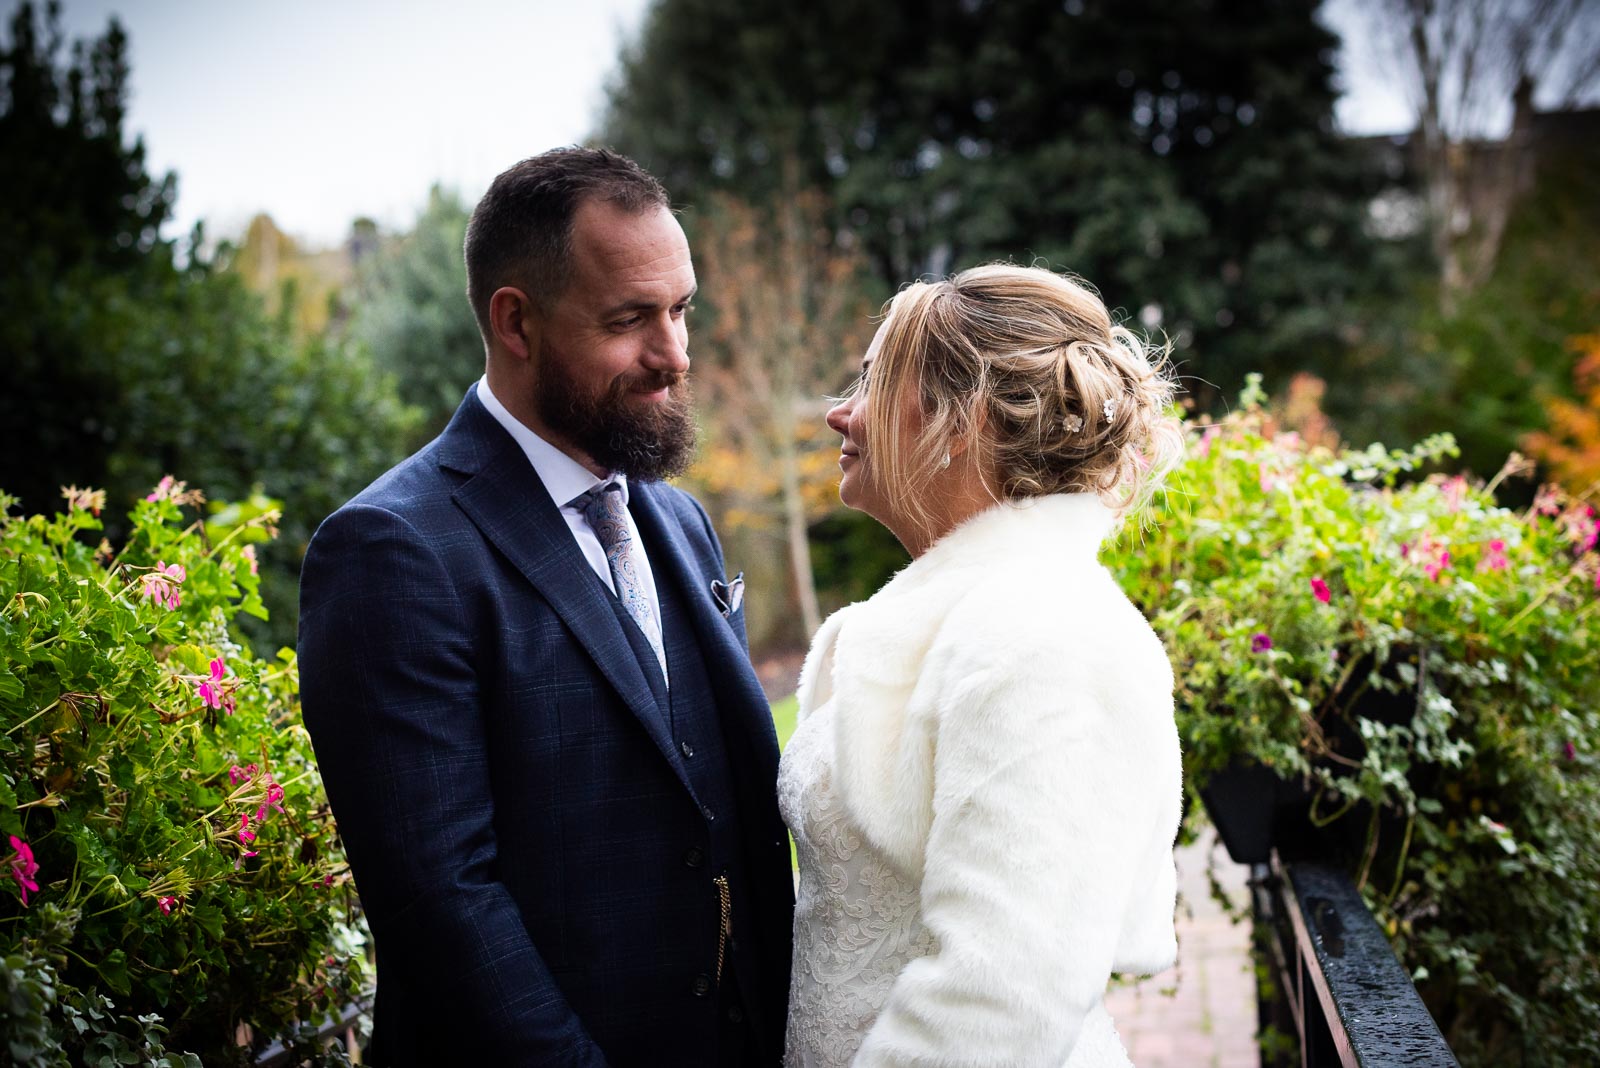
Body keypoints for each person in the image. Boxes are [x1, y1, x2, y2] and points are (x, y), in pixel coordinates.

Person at [298, 147, 794, 1067]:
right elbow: (443, 905)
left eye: (681, 310)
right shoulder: (390, 552)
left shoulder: (678, 520)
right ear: (516, 321)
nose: (674, 355)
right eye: (629, 319)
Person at [778, 264, 1185, 1067]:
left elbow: (1004, 997)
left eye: (868, 381)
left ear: (960, 421)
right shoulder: (943, 620)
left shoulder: (1049, 633)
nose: (838, 413)